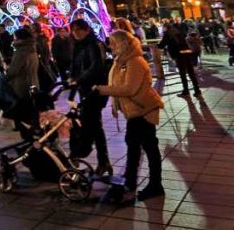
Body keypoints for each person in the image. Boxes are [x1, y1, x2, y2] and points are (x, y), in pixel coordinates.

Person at [94, 30, 165, 201]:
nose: (110, 46)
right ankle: (130, 180)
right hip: (134, 111)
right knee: (133, 147)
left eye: (112, 42)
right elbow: (116, 83)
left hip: (143, 110)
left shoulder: (135, 61)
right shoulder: (121, 61)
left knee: (148, 148)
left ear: (122, 43)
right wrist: (115, 103)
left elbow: (129, 89)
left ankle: (155, 185)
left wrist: (101, 90)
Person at [69, 19, 111, 175]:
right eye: (73, 30)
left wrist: (78, 79)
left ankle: (88, 149)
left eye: (79, 30)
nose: (76, 33)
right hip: (84, 89)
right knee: (95, 125)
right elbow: (74, 65)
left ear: (87, 30)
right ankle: (103, 160)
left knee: (92, 122)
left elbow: (96, 67)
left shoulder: (93, 44)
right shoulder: (78, 46)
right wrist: (71, 80)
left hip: (95, 90)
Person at [160, 23, 202, 97]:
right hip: (186, 52)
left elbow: (162, 45)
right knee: (191, 72)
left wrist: (156, 45)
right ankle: (197, 90)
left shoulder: (167, 33)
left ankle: (186, 90)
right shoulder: (177, 31)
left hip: (179, 54)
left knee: (182, 73)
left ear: (165, 27)